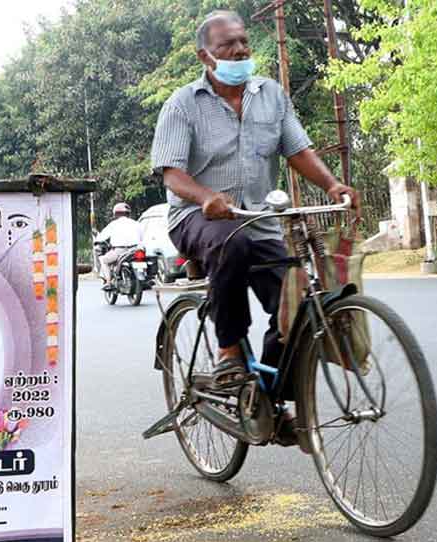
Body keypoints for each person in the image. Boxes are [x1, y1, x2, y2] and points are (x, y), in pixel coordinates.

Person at [150, 10, 360, 445]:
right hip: (197, 218)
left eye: (243, 41)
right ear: (205, 56)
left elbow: (297, 150)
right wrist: (205, 195)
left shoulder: (271, 96)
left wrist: (332, 182)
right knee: (233, 242)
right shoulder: (183, 104)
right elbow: (170, 173)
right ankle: (230, 355)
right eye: (228, 45)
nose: (240, 50)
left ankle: (268, 400)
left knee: (297, 298)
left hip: (260, 217)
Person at [95, 203, 144, 289]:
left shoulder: (113, 224)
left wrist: (97, 241)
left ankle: (109, 282)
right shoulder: (136, 223)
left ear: (116, 213)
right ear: (128, 213)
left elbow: (101, 237)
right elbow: (143, 237)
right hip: (136, 250)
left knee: (103, 260)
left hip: (119, 251)